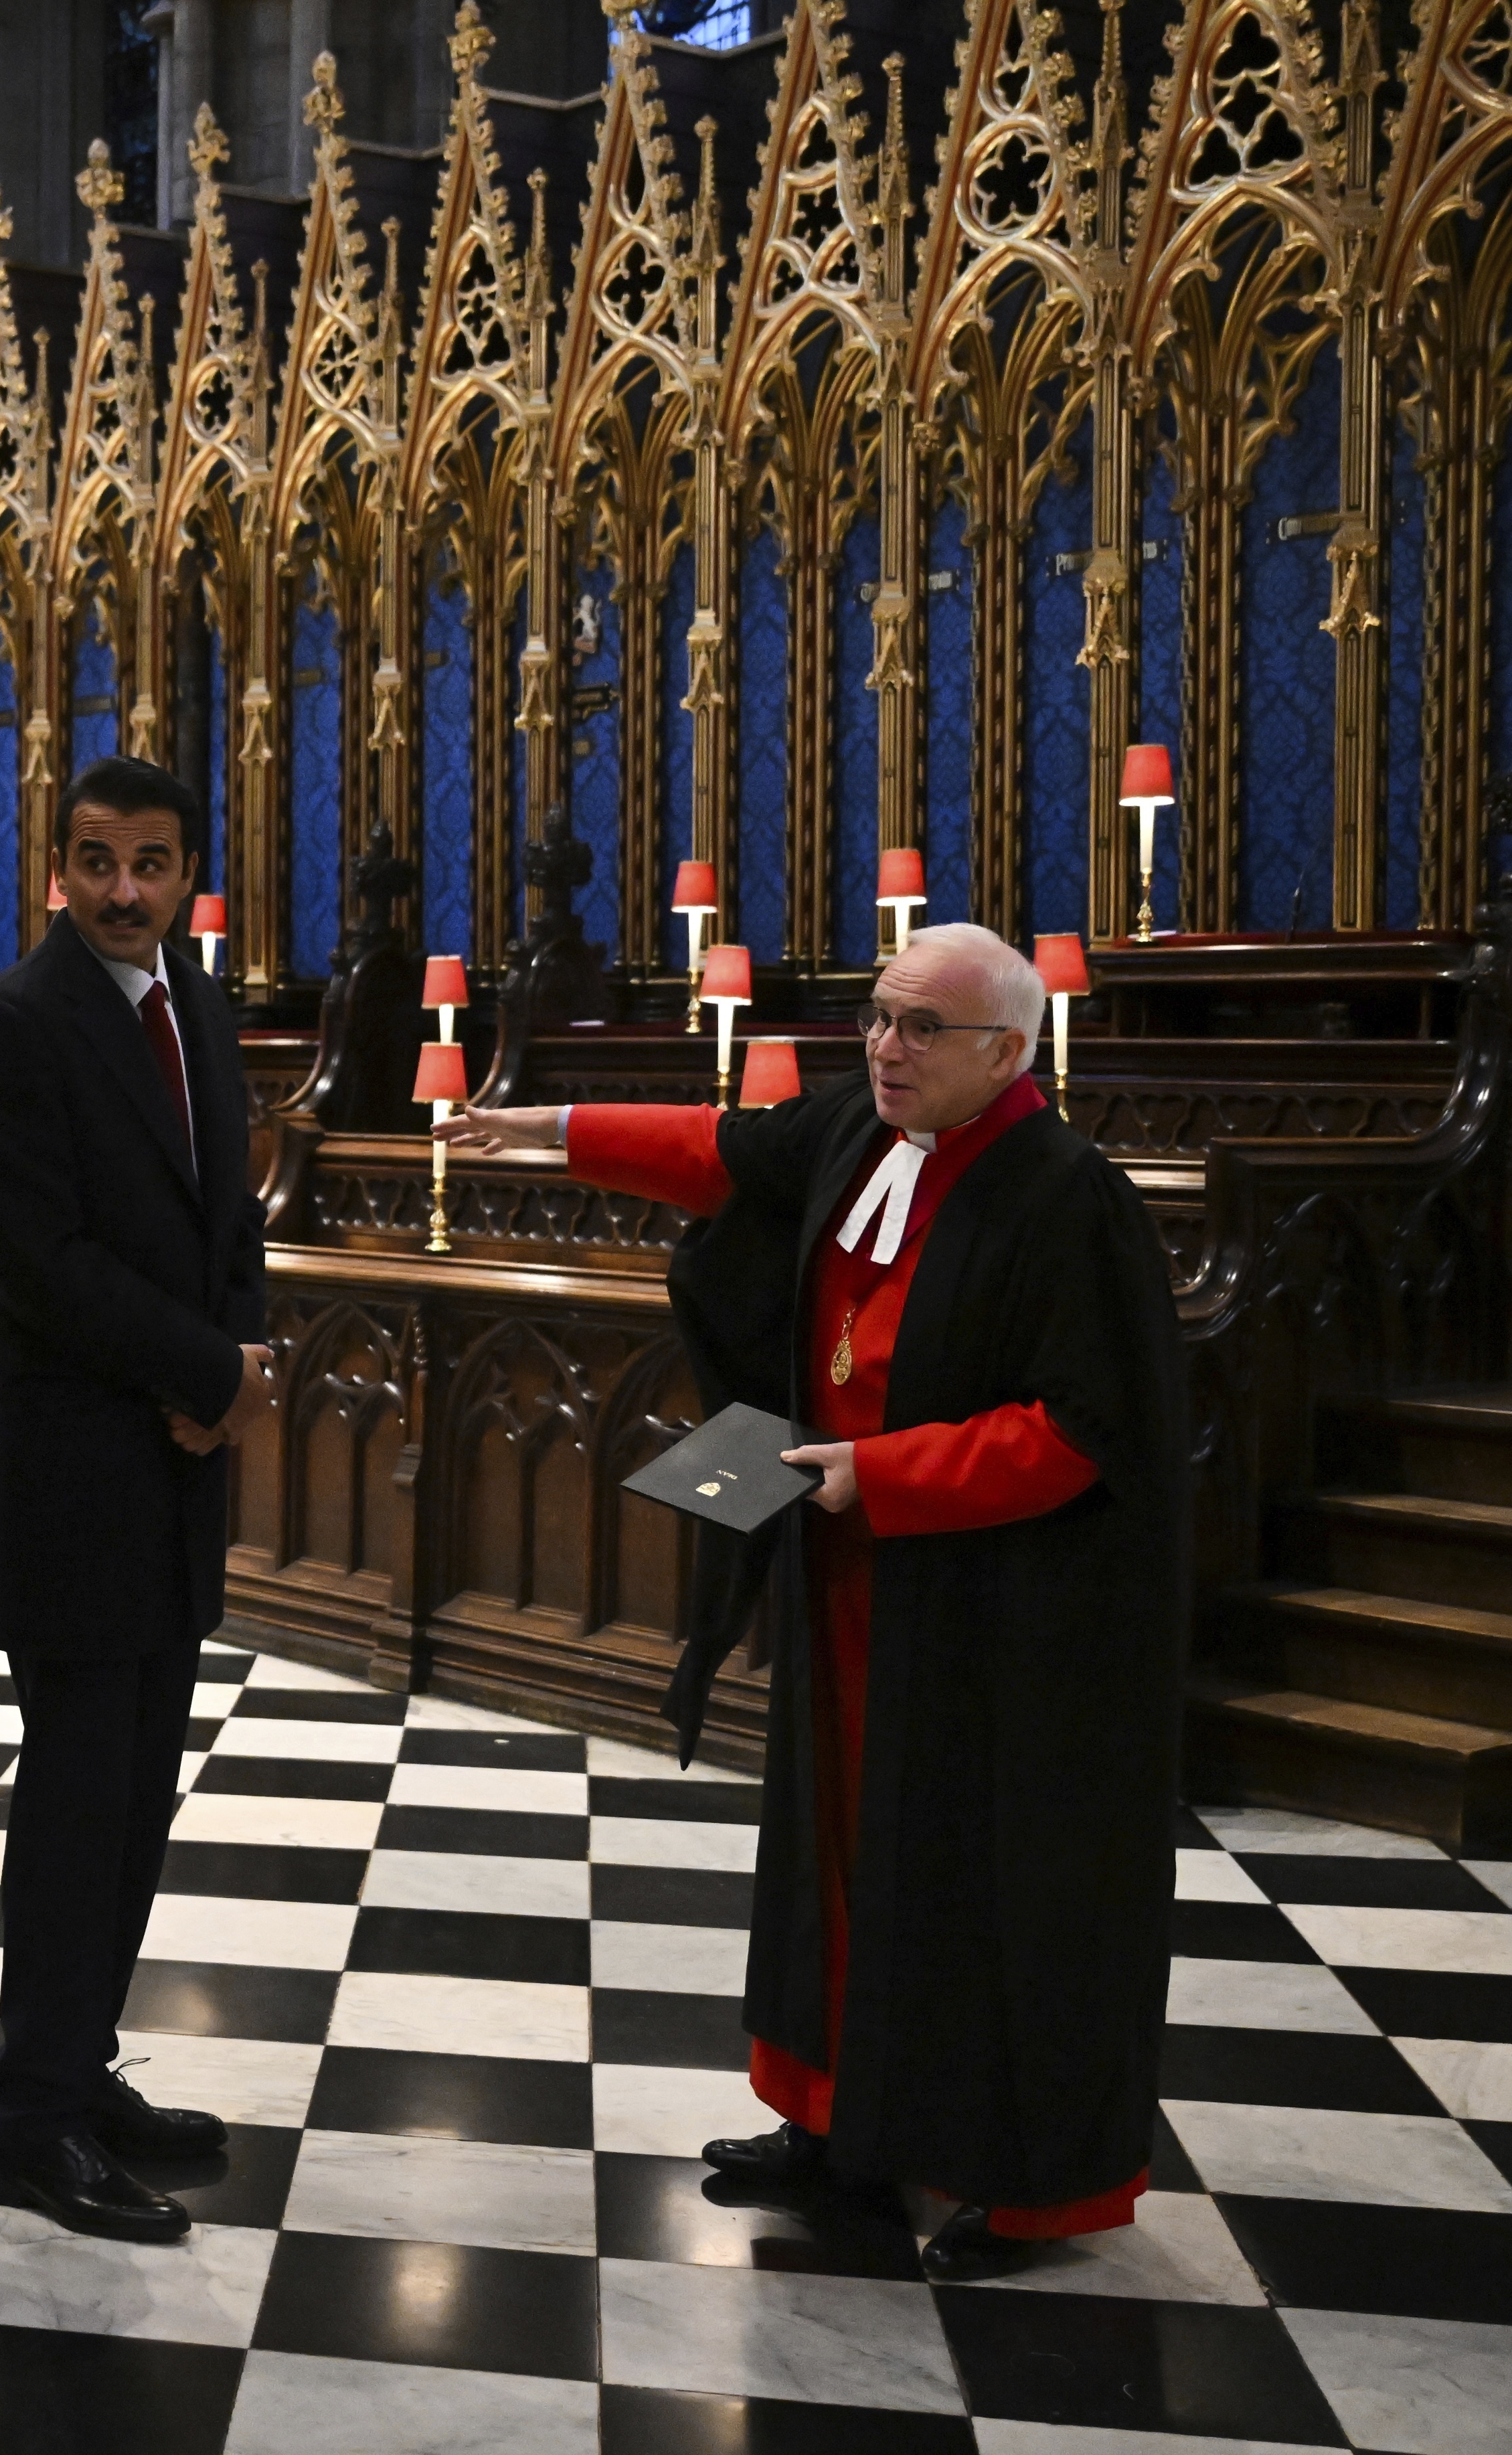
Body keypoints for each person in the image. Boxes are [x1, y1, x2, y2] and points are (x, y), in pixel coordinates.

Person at [436, 921, 1187, 2281]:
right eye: (877, 1018)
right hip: (849, 1570)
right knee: (834, 1849)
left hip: (992, 1602)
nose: (885, 1047)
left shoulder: (1063, 1194)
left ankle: (1021, 2188)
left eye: (919, 1029)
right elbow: (723, 1149)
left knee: (988, 1885)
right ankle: (835, 2116)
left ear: (1005, 1054)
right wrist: (544, 1127)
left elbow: (1083, 1428)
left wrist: (884, 1471)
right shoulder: (859, 1130)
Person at [0, 756, 273, 2245]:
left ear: (184, 865)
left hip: (172, 1465)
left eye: (148, 862)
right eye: (94, 862)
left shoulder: (189, 997)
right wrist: (203, 1366)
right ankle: (29, 2122)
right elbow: (35, 1262)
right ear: (55, 866)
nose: (121, 890)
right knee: (78, 1796)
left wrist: (239, 1357)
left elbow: (229, 1208)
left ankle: (77, 2071)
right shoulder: (17, 1022)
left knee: (140, 1791)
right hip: (74, 1468)